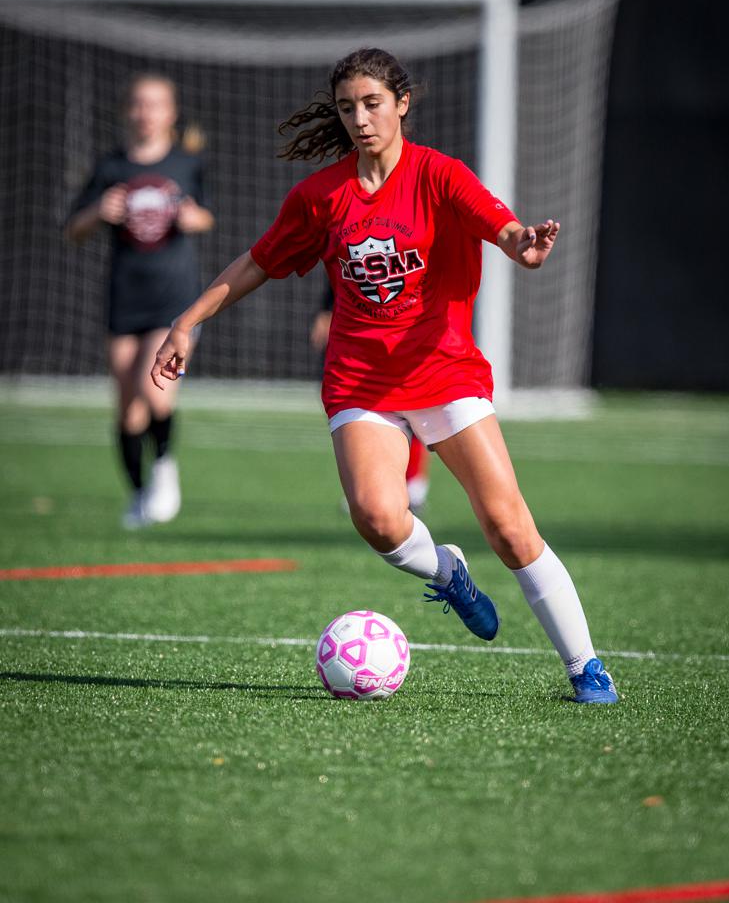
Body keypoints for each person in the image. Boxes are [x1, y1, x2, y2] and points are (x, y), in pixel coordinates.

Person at [151, 47, 617, 704]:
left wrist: (524, 246)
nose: (360, 118)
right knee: (376, 516)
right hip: (360, 380)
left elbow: (502, 226)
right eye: (347, 107)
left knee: (511, 529)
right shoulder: (321, 195)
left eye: (372, 103)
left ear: (401, 103)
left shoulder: (439, 175)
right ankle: (449, 574)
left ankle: (585, 667)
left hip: (445, 372)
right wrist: (187, 321)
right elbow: (256, 262)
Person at [67, 73, 215, 529]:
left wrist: (193, 218)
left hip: (174, 296)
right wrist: (97, 212)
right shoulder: (111, 168)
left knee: (156, 388)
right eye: (138, 104)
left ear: (170, 113)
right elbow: (73, 229)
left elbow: (206, 217)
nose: (146, 113)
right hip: (125, 295)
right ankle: (138, 494)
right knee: (128, 403)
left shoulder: (186, 163)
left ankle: (166, 469)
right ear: (127, 111)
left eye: (155, 105)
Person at [310, 283, 430, 514]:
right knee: (362, 415)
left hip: (406, 334)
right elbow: (344, 266)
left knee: (411, 411)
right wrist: (326, 310)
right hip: (359, 337)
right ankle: (371, 488)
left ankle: (413, 485)